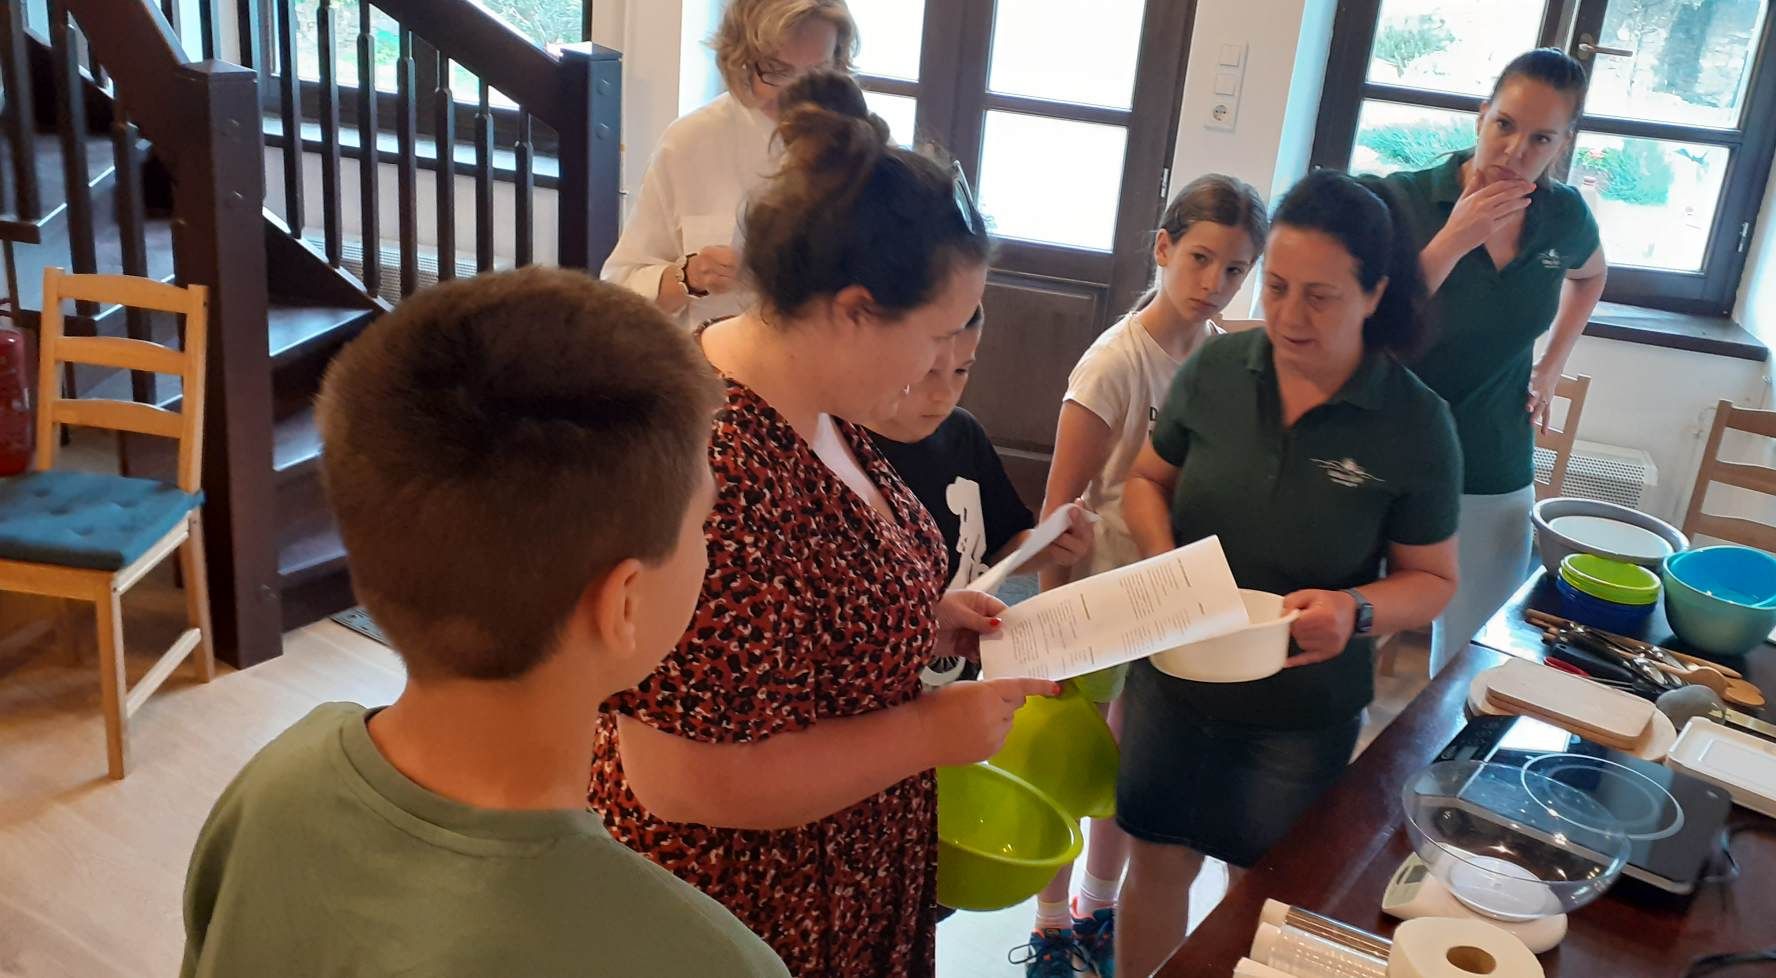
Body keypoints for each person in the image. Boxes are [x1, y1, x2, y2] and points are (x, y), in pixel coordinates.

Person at [180, 269, 786, 978]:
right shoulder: (708, 960)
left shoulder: (270, 788)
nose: (709, 548)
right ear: (622, 603)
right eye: (703, 523)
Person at [588, 72, 1059, 977]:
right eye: (941, 332)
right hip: (752, 908)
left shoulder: (822, 403)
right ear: (853, 312)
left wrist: (921, 619)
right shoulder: (714, 465)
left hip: (847, 867)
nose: (948, 360)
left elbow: (803, 628)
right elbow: (683, 779)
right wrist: (929, 734)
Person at [1114, 171, 1463, 978]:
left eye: (1320, 297)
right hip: (1175, 681)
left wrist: (1354, 609)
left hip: (1299, 711)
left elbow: (1433, 580)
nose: (1287, 316)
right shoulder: (1218, 368)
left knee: (1264, 897)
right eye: (1275, 286)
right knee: (1156, 863)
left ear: (1375, 294)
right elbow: (1146, 480)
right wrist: (1164, 557)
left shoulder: (1415, 424)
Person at [1019, 173, 1268, 978]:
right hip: (1095, 601)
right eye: (1200, 258)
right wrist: (1052, 636)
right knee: (1070, 768)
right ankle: (1050, 928)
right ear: (1163, 248)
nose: (1214, 282)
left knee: (1129, 774)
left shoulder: (1223, 358)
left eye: (1235, 268)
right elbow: (1059, 513)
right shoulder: (1113, 365)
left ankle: (1098, 908)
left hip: (1168, 604)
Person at [1374, 48, 1608, 674]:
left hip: (1493, 453)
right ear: (1481, 117)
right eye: (1504, 125)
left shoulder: (1563, 217)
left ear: (1562, 145)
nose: (1514, 151)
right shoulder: (1402, 200)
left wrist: (1551, 365)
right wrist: (1455, 237)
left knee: (1480, 652)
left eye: (1540, 138)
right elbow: (1371, 321)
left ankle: (1448, 744)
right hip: (1385, 452)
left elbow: (1591, 276)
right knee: (1345, 640)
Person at [866, 304, 1096, 687]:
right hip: (883, 688)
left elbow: (1004, 545)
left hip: (961, 675)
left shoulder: (963, 434)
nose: (944, 395)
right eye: (928, 371)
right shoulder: (843, 451)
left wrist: (1049, 544)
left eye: (961, 371)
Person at [602, 0, 857, 327]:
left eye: (817, 74)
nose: (796, 94)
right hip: (710, 354)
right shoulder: (690, 142)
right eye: (776, 70)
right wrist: (690, 276)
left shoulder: (863, 147)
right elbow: (621, 290)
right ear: (740, 60)